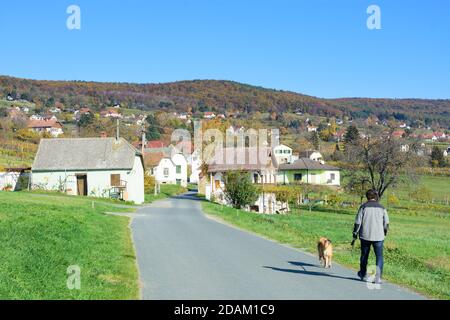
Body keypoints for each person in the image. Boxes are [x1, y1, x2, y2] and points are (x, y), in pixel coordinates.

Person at [352, 189, 389, 284]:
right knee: (379, 257)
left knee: (364, 256)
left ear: (367, 197)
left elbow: (357, 222)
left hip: (365, 236)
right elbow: (386, 223)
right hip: (379, 237)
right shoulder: (382, 207)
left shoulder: (363, 207)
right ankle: (378, 278)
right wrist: (384, 232)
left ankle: (363, 274)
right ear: (375, 196)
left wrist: (355, 234)